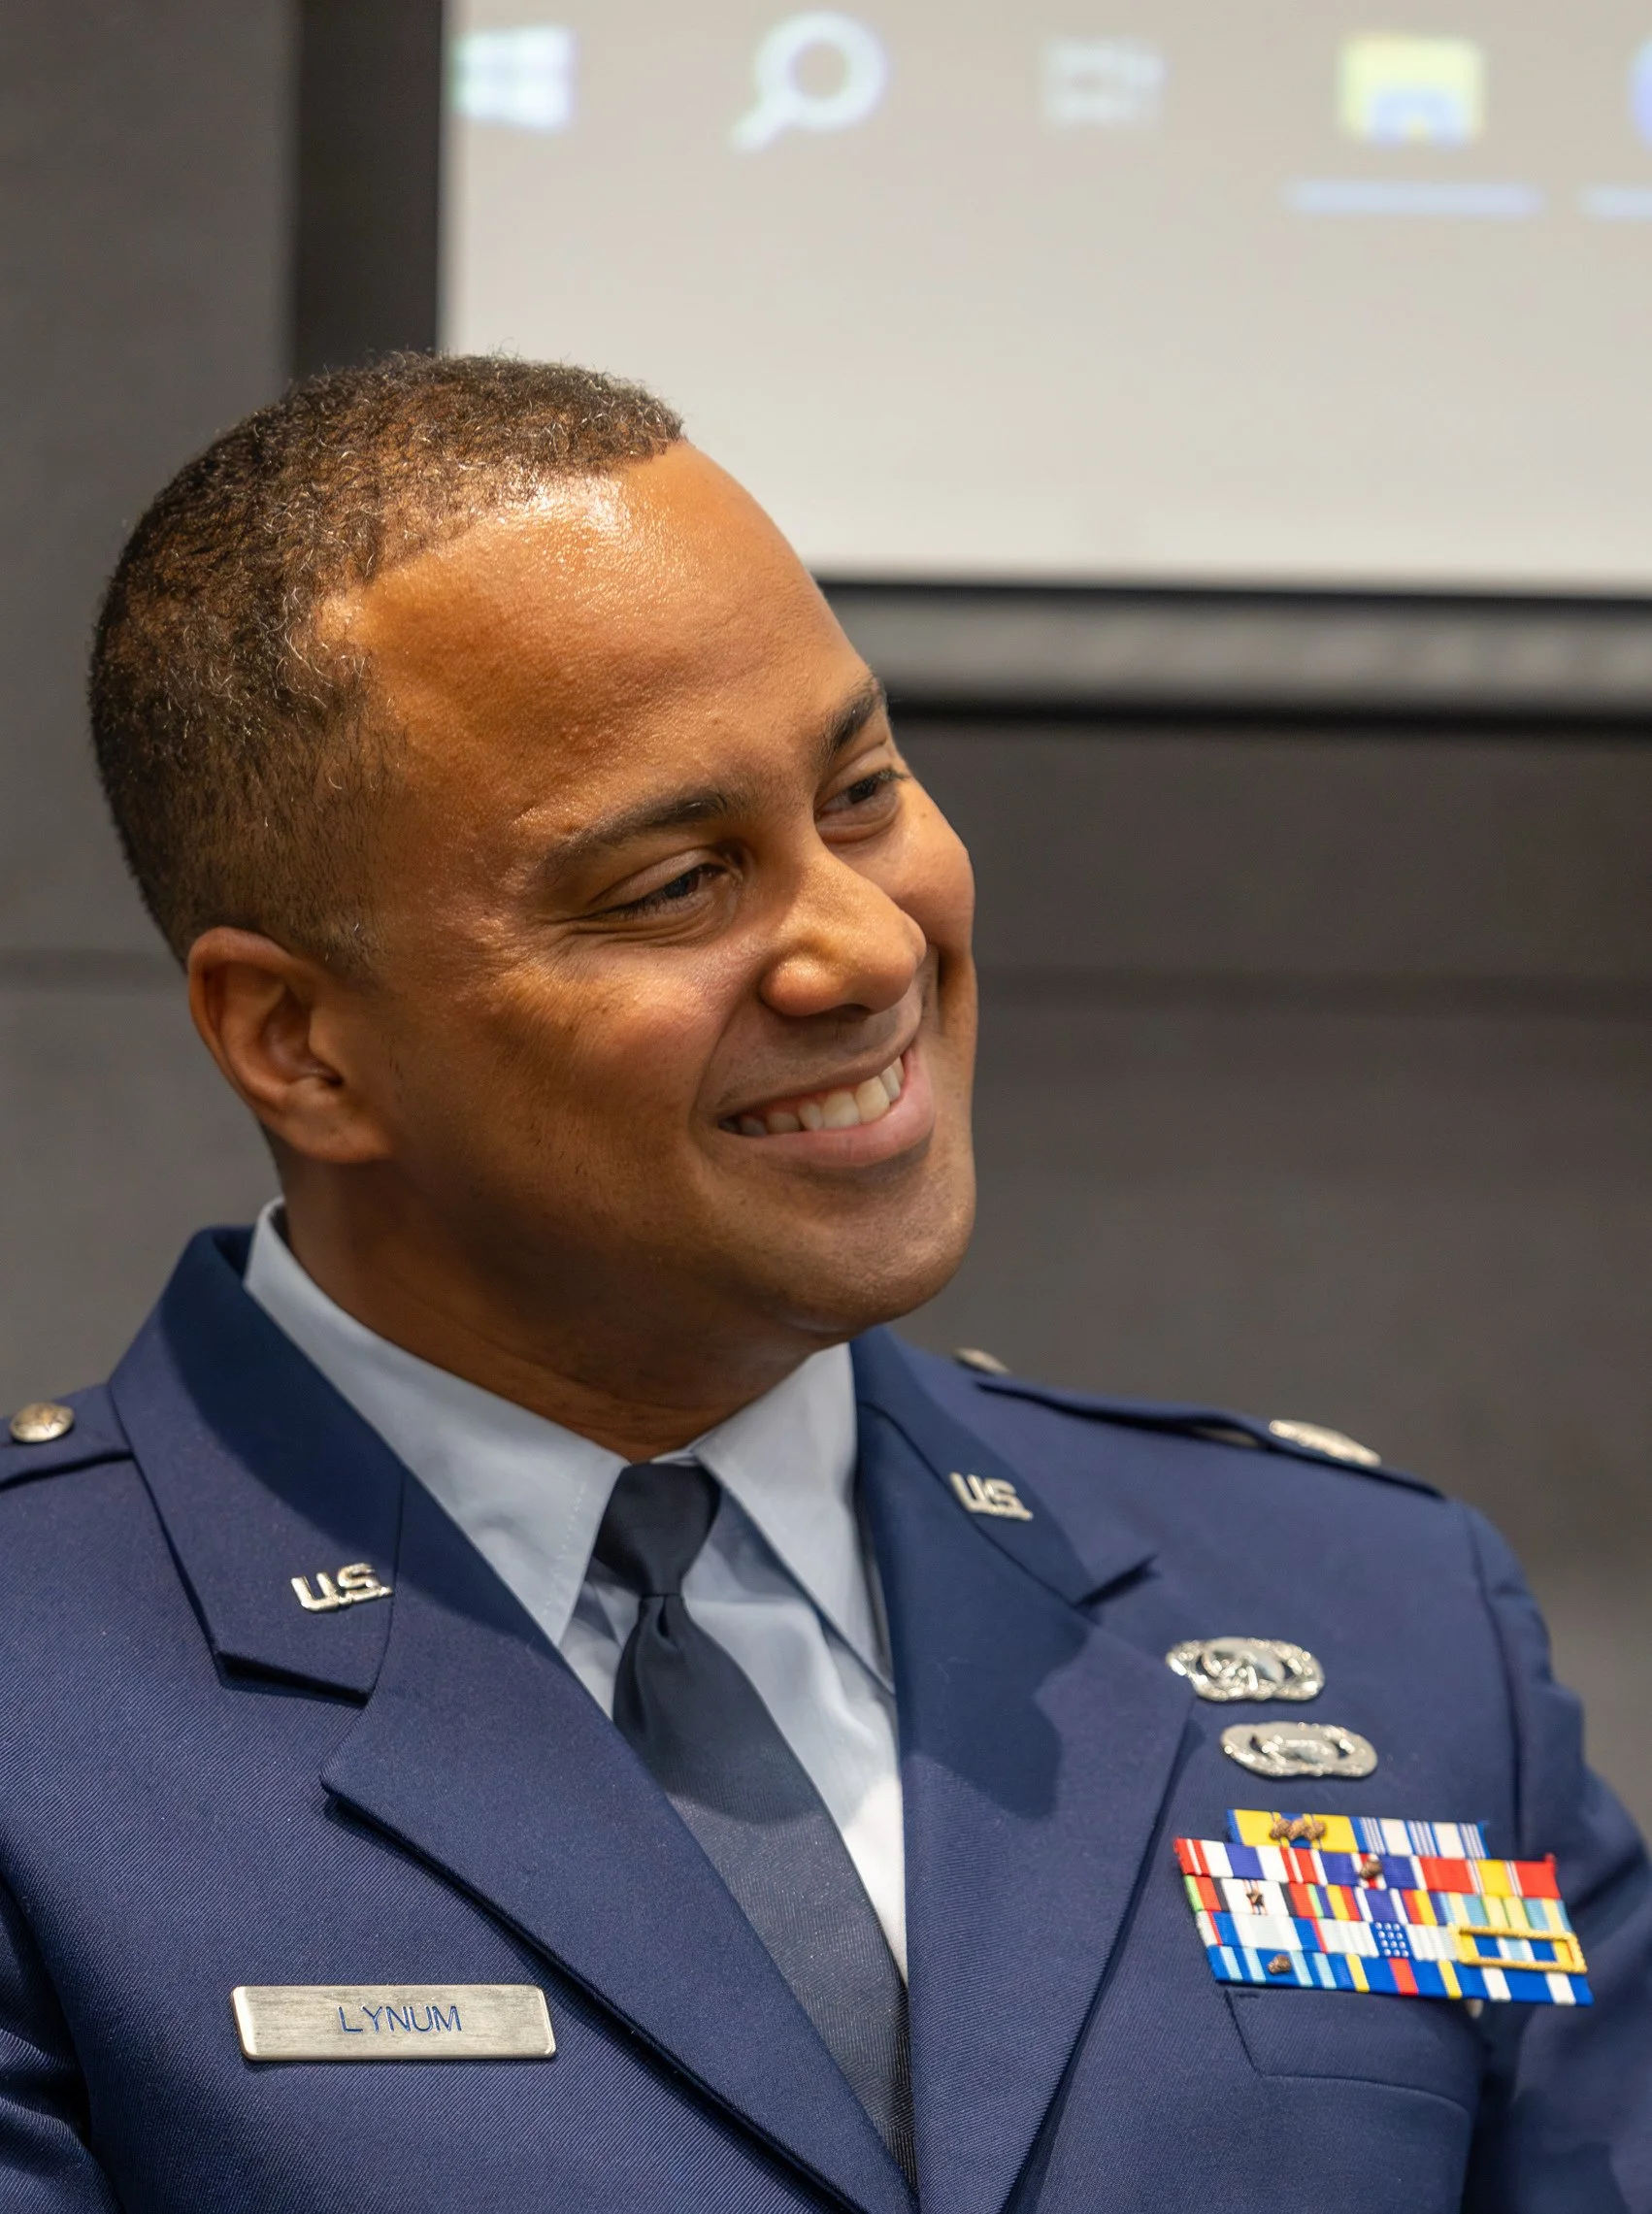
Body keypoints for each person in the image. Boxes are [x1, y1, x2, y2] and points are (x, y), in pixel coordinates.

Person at [0, 354, 1646, 2214]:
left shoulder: (1385, 1621)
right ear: (296, 1040)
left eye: (860, 793)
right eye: (677, 884)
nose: (865, 947)